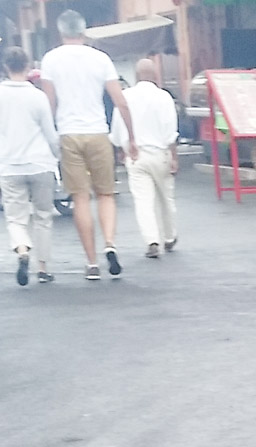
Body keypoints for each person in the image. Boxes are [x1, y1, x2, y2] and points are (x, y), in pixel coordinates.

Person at [41, 9, 137, 281]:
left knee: (80, 197)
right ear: (84, 31)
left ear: (62, 32)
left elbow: (49, 102)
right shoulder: (101, 59)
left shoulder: (51, 59)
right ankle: (110, 243)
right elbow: (121, 101)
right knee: (105, 194)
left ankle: (92, 262)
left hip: (68, 134)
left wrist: (50, 137)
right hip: (98, 132)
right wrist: (131, 137)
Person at [0, 47, 60, 286]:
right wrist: (56, 156)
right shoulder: (38, 97)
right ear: (28, 67)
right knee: (43, 215)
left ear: (6, 66)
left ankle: (22, 250)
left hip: (9, 164)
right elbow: (50, 133)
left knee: (16, 218)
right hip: (40, 162)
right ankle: (43, 267)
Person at [109, 58, 178, 260]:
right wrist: (173, 156)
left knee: (143, 200)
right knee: (167, 197)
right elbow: (170, 130)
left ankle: (151, 241)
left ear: (136, 76)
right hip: (160, 154)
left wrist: (122, 149)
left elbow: (116, 130)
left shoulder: (125, 96)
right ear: (155, 75)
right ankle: (170, 236)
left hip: (135, 155)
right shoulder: (164, 97)